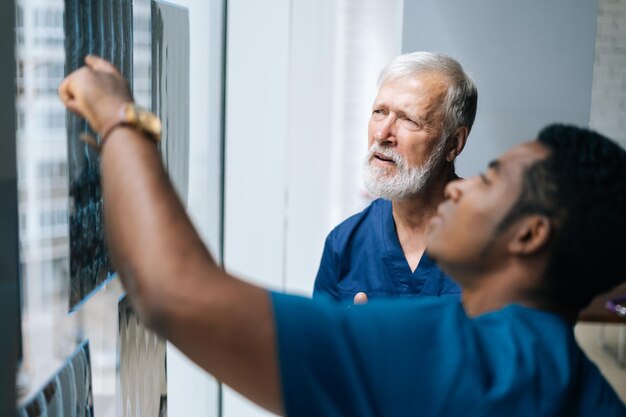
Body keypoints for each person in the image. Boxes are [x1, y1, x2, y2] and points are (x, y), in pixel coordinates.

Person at [59, 56, 626, 416]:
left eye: (492, 179)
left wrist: (118, 118)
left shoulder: (457, 355)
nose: (461, 190)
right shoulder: (582, 387)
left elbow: (173, 293)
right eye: (378, 112)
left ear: (529, 235)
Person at [313, 51, 478, 303]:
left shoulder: (504, 241)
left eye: (409, 120)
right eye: (379, 111)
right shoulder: (345, 244)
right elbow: (319, 341)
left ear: (454, 143)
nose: (381, 134)